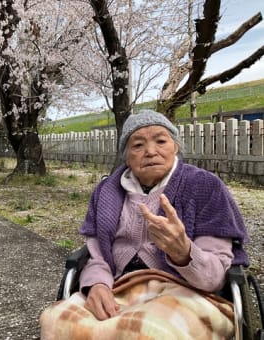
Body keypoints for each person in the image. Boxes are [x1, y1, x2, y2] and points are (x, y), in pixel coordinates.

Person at [40, 109, 249, 339]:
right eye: (138, 145)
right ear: (126, 156)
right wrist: (96, 285)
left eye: (161, 141)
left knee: (147, 332)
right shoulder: (106, 191)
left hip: (188, 292)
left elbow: (215, 277)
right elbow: (97, 256)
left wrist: (184, 252)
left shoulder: (205, 187)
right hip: (119, 286)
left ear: (175, 146)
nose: (150, 151)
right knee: (55, 319)